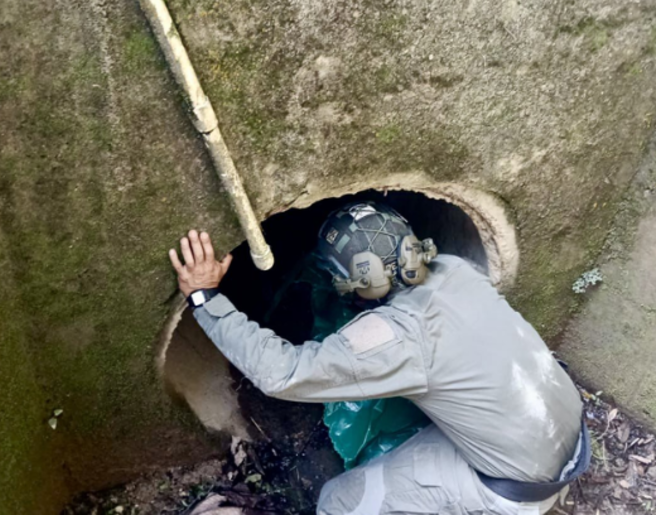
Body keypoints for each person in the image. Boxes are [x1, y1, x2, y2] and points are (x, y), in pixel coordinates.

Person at [168, 202, 589, 515]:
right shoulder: (454, 268)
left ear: (363, 278)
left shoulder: (399, 337)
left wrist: (206, 299)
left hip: (516, 485)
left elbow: (283, 373)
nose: (339, 287)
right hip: (562, 432)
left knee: (337, 501)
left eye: (340, 277)